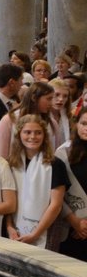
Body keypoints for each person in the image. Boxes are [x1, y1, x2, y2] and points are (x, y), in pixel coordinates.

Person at [7, 115, 67, 250]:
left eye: (38, 133)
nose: (33, 137)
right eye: (27, 132)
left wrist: (35, 234)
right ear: (19, 135)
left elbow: (56, 205)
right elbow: (8, 200)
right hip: (13, 230)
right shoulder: (11, 163)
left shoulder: (56, 164)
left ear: (45, 136)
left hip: (46, 230)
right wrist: (9, 227)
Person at [55, 110, 87, 261]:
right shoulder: (63, 153)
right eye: (84, 123)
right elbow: (56, 194)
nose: (86, 128)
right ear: (76, 124)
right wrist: (76, 222)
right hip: (69, 227)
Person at [0, 80, 54, 158]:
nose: (51, 103)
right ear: (34, 98)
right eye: (48, 99)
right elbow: (1, 154)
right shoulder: (9, 120)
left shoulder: (51, 122)